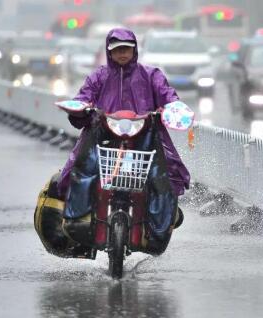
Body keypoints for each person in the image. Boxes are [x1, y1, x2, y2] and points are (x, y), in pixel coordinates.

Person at [57, 28, 189, 229]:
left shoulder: (151, 75)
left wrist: (174, 107)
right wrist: (80, 108)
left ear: (134, 50)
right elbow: (84, 97)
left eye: (126, 48)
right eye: (117, 49)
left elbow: (167, 95)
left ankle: (162, 218)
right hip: (105, 136)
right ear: (109, 52)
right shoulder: (98, 76)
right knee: (80, 166)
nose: (122, 53)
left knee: (166, 171)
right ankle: (77, 217)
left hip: (144, 136)